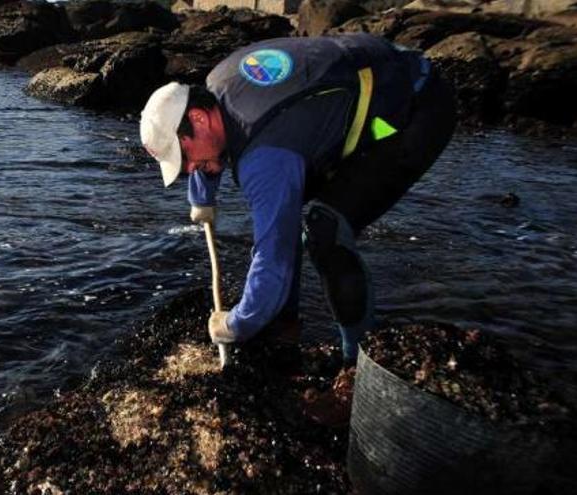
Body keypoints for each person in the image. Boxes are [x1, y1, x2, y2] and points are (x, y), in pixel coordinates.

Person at [139, 33, 456, 425]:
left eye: (184, 157)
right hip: (364, 83)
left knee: (324, 228)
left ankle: (355, 378)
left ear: (199, 119)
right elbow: (208, 150)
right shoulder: (215, 86)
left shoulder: (264, 159)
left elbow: (271, 264)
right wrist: (202, 197)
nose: (188, 169)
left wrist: (234, 325)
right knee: (281, 223)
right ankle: (284, 337)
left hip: (415, 108)